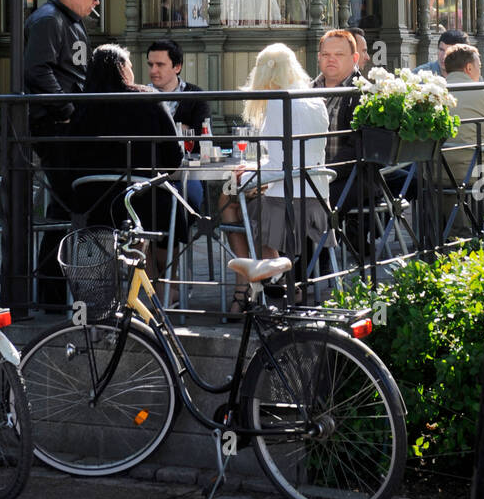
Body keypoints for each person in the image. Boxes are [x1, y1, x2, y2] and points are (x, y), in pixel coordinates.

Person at [223, 43, 331, 316]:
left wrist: (246, 174)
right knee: (249, 200)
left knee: (229, 200)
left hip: (285, 206)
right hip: (317, 201)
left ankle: (248, 286)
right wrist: (256, 171)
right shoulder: (316, 99)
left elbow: (277, 166)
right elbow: (294, 158)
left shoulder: (277, 101)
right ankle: (277, 280)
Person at [64, 44, 184, 279]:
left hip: (93, 204)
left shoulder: (81, 105)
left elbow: (69, 157)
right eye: (129, 65)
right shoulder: (147, 99)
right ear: (121, 68)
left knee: (124, 218)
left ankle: (105, 295)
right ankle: (156, 293)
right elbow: (174, 159)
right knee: (164, 208)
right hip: (142, 201)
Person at [24, 0, 101, 305]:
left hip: (68, 127)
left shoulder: (69, 22)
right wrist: (69, 112)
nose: (95, 4)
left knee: (67, 207)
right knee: (67, 207)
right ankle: (51, 293)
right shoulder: (48, 21)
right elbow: (37, 71)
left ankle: (54, 293)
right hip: (55, 128)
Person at [440, 44, 484, 237]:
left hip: (435, 173)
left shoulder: (434, 94)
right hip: (475, 174)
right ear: (469, 68)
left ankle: (453, 235)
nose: (481, 70)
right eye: (479, 65)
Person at [146, 37, 208, 213]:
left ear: (177, 67)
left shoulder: (195, 95)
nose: (153, 70)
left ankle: (177, 239)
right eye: (150, 65)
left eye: (160, 65)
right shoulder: (140, 95)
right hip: (150, 171)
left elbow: (199, 136)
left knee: (191, 202)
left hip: (186, 171)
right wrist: (180, 128)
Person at [311, 29, 361, 210]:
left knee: (302, 205)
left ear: (354, 58)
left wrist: (324, 174)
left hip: (347, 179)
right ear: (318, 57)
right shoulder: (305, 91)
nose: (331, 59)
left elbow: (356, 149)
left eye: (339, 54)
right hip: (305, 177)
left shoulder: (363, 93)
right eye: (326, 54)